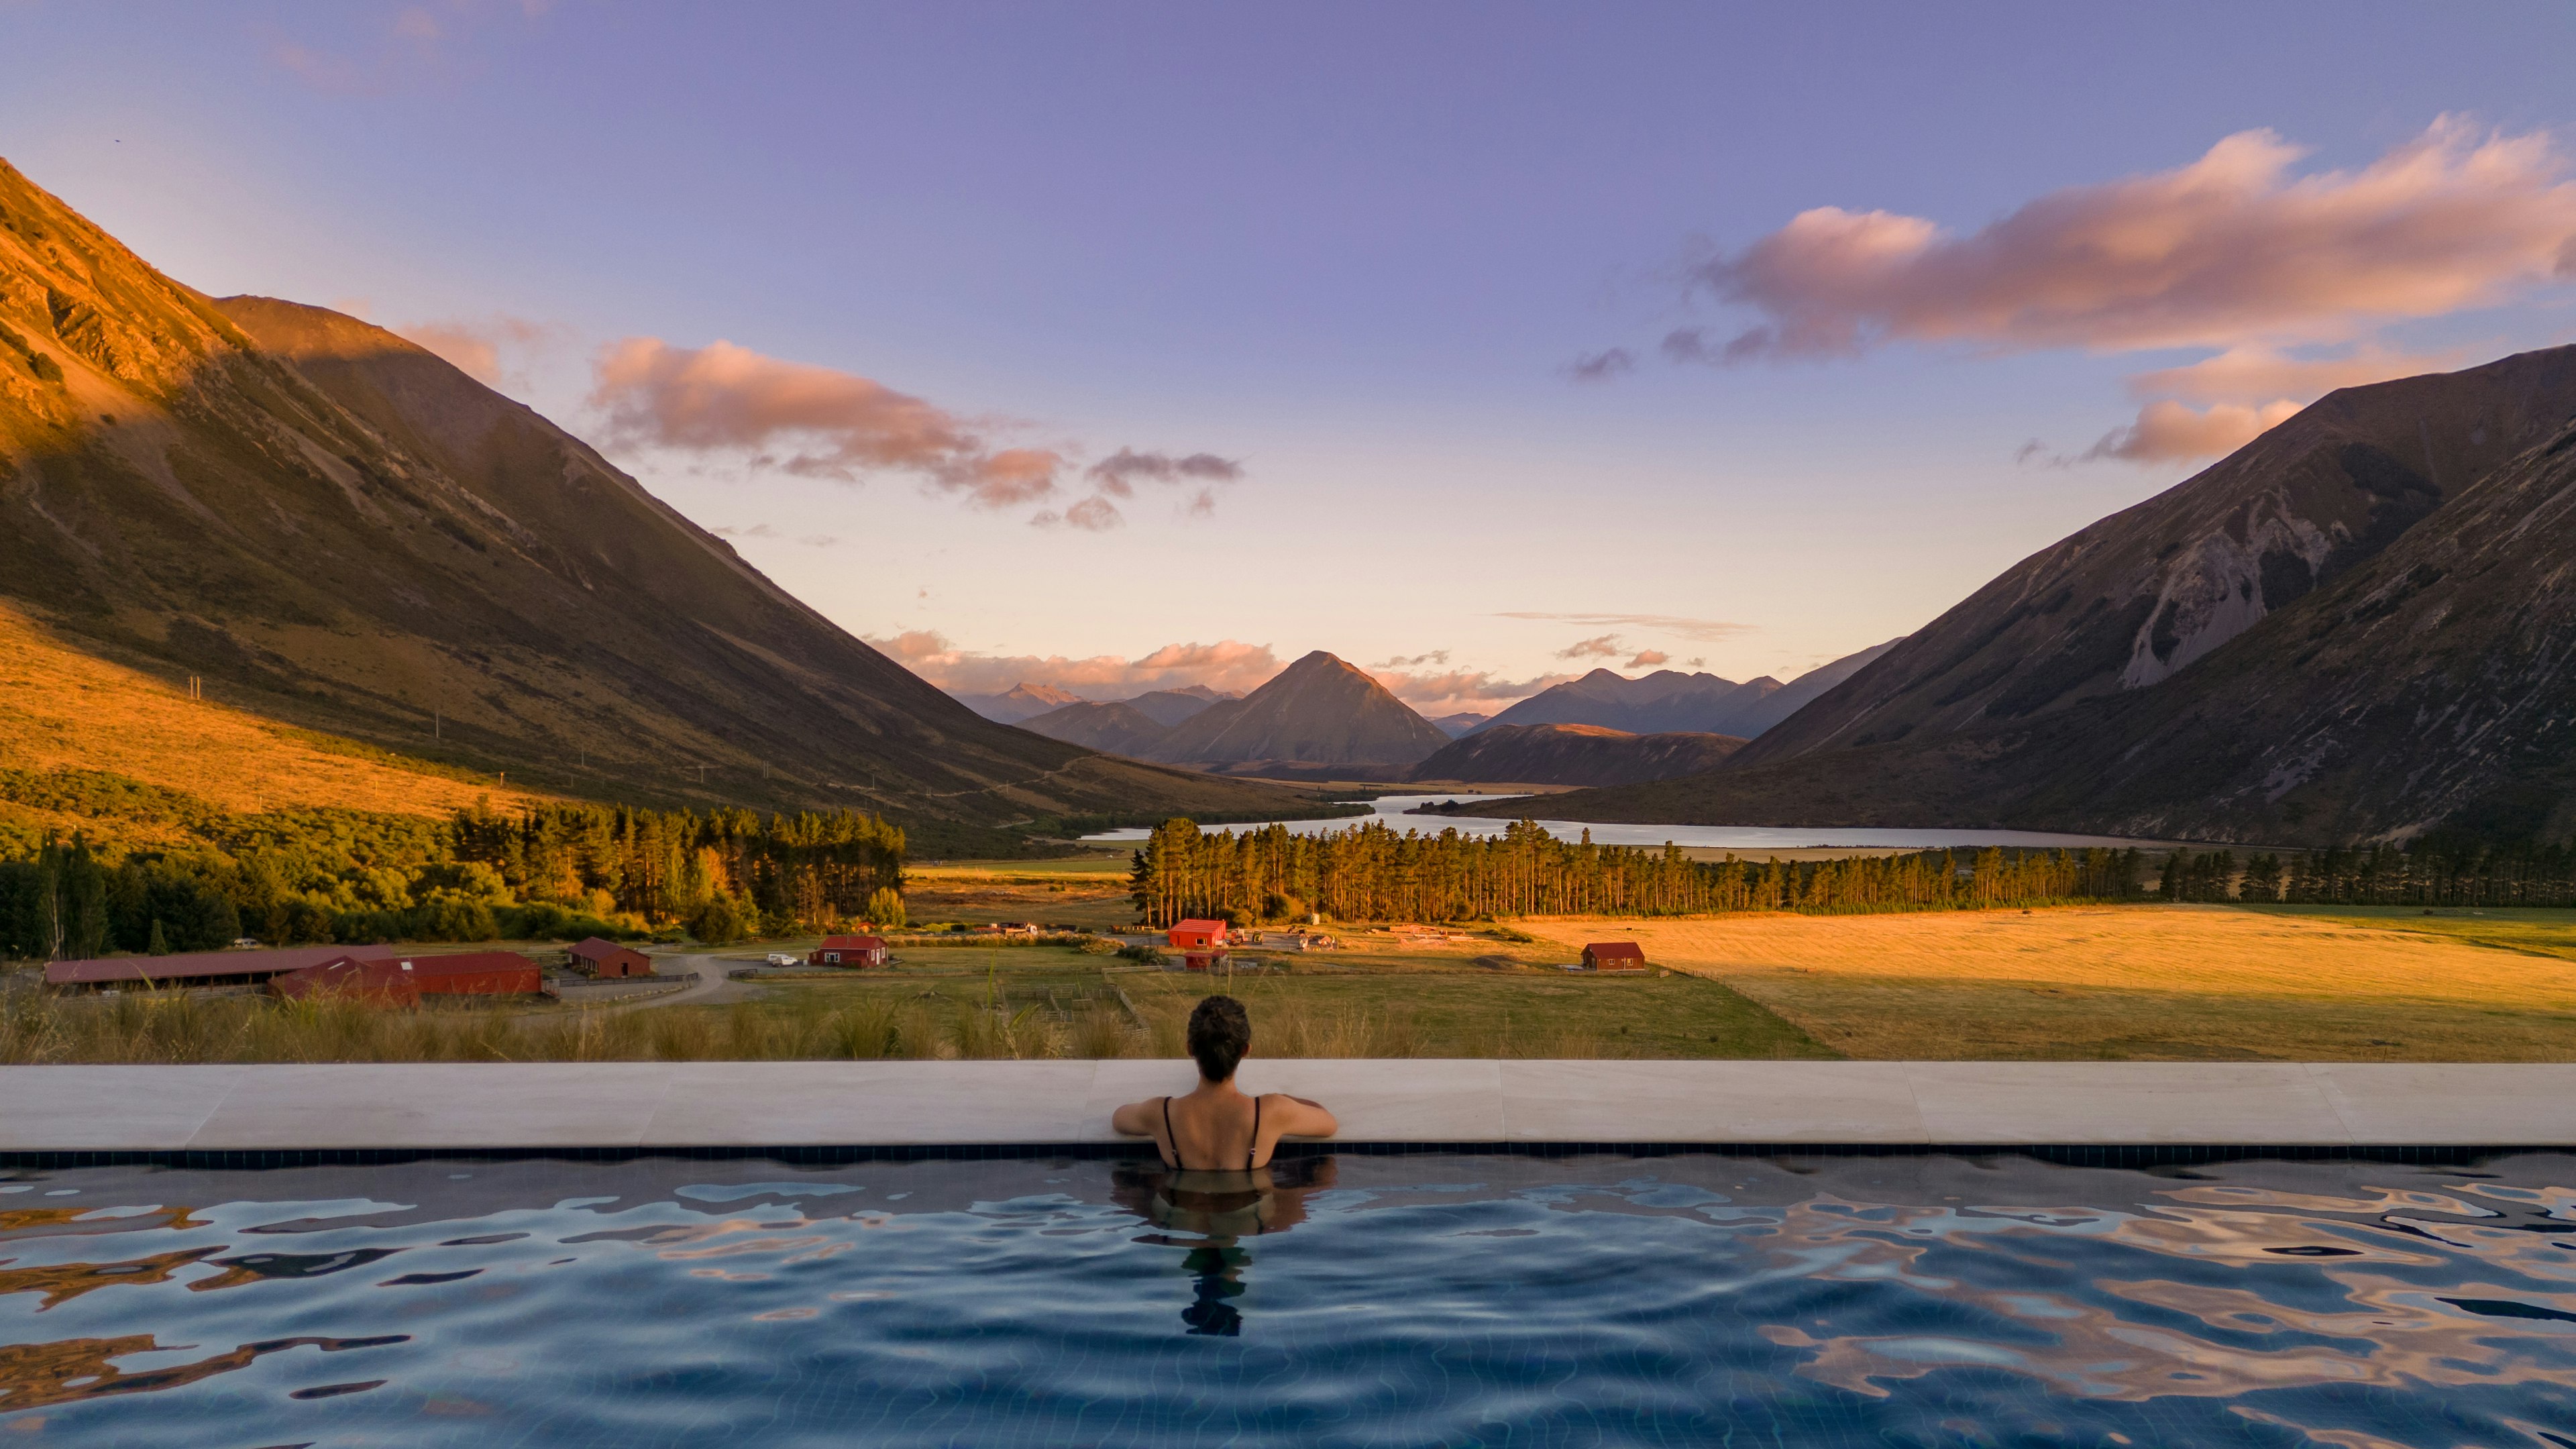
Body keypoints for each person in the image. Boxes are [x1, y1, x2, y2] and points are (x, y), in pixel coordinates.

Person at [1112, 995, 1338, 1171]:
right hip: (1249, 1219)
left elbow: (1119, 1119)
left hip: (1180, 1220)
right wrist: (1284, 1099)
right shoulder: (1272, 1111)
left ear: (1190, 1048)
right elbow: (1328, 1124)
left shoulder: (1161, 1113)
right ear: (1245, 1050)